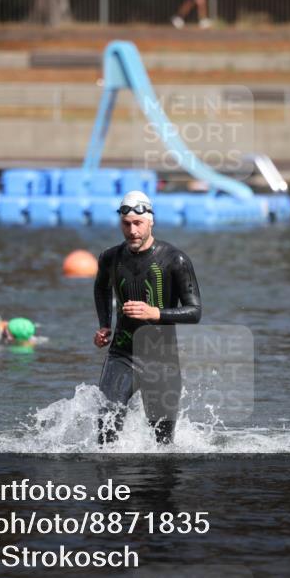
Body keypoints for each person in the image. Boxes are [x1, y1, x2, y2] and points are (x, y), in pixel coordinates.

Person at [93, 191, 201, 445]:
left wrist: (156, 313)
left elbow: (195, 311)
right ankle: (109, 484)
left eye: (138, 223)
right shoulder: (110, 258)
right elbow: (101, 288)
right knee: (106, 429)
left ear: (151, 221)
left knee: (162, 443)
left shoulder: (175, 259)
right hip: (122, 354)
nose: (132, 231)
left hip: (161, 360)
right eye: (126, 224)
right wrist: (104, 324)